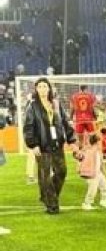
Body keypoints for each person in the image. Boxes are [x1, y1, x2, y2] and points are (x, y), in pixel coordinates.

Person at [23, 77, 78, 214]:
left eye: (44, 86)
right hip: (42, 146)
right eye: (39, 86)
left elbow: (66, 122)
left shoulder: (56, 104)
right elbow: (28, 127)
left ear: (49, 88)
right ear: (36, 89)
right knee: (45, 176)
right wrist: (33, 144)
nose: (42, 89)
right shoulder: (32, 106)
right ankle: (52, 205)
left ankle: (46, 196)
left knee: (62, 172)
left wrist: (72, 140)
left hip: (57, 144)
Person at [79, 133, 106, 211]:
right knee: (92, 190)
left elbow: (101, 163)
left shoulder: (97, 151)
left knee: (105, 187)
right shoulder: (89, 151)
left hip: (98, 173)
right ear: (96, 142)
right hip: (92, 174)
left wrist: (104, 173)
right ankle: (87, 203)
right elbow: (82, 160)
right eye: (99, 141)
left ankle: (104, 201)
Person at [69, 84, 97, 149]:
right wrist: (95, 116)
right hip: (88, 119)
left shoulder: (74, 96)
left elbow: (72, 108)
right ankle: (92, 151)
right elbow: (92, 108)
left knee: (80, 140)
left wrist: (70, 118)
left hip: (79, 120)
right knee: (92, 137)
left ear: (80, 88)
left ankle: (80, 152)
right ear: (86, 88)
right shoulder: (90, 96)